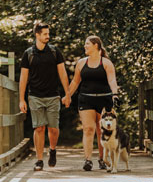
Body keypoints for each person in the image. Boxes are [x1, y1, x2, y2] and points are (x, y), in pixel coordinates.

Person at [19, 22, 71, 171]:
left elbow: (62, 74)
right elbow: (23, 78)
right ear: (37, 35)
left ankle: (52, 150)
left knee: (53, 129)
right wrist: (21, 99)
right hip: (35, 96)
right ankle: (39, 159)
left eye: (48, 34)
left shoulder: (55, 52)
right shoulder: (28, 54)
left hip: (53, 96)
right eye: (45, 34)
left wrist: (67, 94)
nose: (48, 36)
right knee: (39, 128)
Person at [63, 35, 119, 171]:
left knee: (102, 130)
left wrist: (115, 94)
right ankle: (88, 160)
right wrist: (67, 95)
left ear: (96, 45)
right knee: (88, 129)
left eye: (87, 44)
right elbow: (75, 81)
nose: (85, 46)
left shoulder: (106, 63)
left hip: (104, 99)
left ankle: (102, 159)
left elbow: (112, 80)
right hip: (86, 99)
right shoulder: (82, 63)